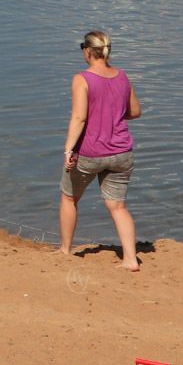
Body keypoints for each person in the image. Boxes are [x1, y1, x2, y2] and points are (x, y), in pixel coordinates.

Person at [58, 30, 143, 271]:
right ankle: (130, 259)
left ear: (87, 51)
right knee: (118, 207)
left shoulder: (82, 79)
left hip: (90, 153)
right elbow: (135, 111)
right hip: (122, 152)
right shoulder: (123, 76)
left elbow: (79, 117)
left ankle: (65, 249)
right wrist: (113, 113)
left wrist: (68, 149)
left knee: (68, 198)